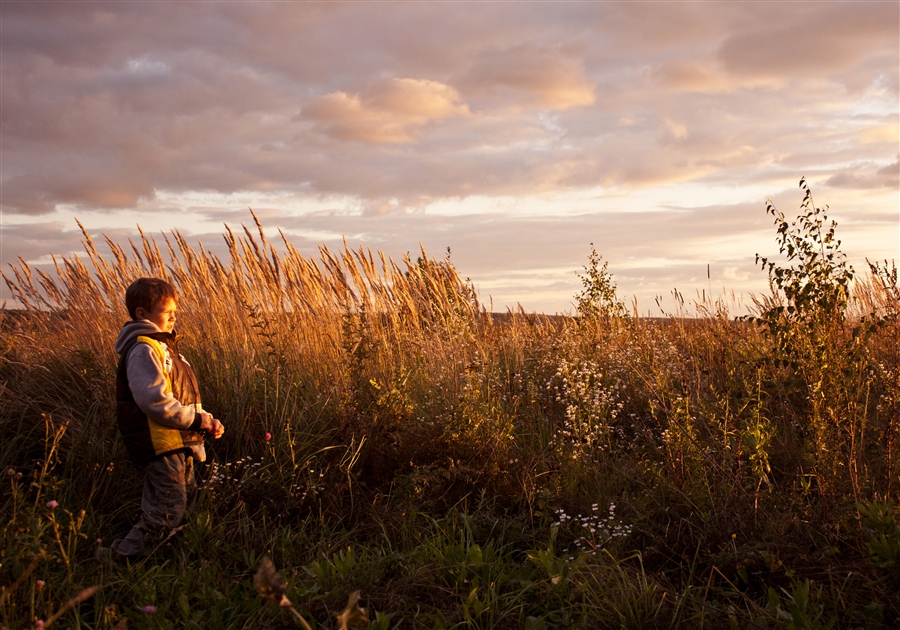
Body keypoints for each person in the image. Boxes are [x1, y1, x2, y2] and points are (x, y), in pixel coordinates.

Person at [106, 277, 224, 558]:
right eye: (165, 311)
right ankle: (122, 559)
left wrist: (207, 419)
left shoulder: (166, 348)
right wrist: (197, 421)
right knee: (168, 508)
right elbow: (154, 400)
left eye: (175, 310)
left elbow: (184, 398)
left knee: (186, 503)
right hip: (160, 441)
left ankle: (174, 556)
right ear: (142, 314)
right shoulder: (144, 349)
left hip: (178, 438)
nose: (173, 316)